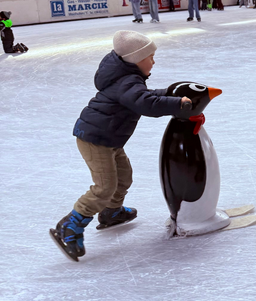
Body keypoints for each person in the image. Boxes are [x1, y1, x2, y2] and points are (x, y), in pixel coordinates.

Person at [50, 30, 191, 261]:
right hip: (96, 140)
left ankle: (111, 213)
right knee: (104, 188)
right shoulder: (127, 81)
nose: (153, 61)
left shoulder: (126, 78)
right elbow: (145, 103)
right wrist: (177, 104)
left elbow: (143, 95)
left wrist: (168, 93)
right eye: (150, 57)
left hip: (109, 138)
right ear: (136, 59)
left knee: (124, 178)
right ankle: (70, 225)